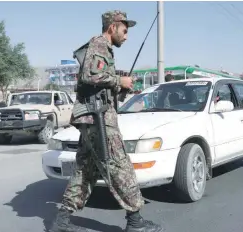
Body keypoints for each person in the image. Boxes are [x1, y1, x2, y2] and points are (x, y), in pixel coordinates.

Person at [49, 10, 164, 232]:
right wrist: (119, 80)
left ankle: (61, 222)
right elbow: (89, 76)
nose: (126, 36)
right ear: (113, 27)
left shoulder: (104, 49)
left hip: (96, 116)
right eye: (124, 30)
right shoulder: (99, 44)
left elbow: (97, 82)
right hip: (97, 118)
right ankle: (135, 221)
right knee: (120, 166)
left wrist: (120, 87)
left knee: (85, 170)